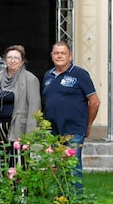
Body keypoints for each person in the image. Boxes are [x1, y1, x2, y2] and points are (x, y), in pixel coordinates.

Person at [43, 41, 100, 191]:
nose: (59, 56)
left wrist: (88, 125)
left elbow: (94, 102)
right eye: (56, 53)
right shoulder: (48, 76)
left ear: (70, 56)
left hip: (73, 130)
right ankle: (61, 201)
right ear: (51, 55)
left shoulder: (80, 74)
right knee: (57, 168)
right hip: (54, 131)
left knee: (73, 168)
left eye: (63, 53)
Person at [0, 45, 41, 170]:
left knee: (18, 163)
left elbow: (34, 109)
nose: (12, 60)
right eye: (9, 57)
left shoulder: (30, 79)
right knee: (0, 163)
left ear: (22, 61)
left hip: (18, 129)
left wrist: (29, 137)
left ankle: (19, 190)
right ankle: (2, 189)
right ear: (4, 60)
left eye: (16, 58)